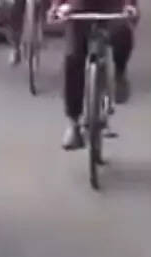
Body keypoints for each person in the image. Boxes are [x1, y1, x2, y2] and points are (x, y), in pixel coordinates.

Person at [50, 0, 139, 150]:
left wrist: (130, 5)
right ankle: (74, 123)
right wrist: (56, 7)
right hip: (78, 8)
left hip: (113, 7)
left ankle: (119, 72)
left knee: (123, 34)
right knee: (73, 58)